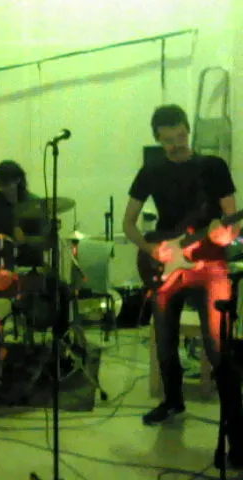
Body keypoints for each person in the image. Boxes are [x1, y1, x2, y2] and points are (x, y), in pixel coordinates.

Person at [123, 104, 242, 468]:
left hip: (210, 266)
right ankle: (173, 401)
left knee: (219, 348)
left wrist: (226, 234)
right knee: (164, 340)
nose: (177, 144)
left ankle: (237, 435)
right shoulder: (150, 172)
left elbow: (233, 221)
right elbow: (129, 223)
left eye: (181, 136)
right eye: (168, 139)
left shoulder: (213, 167)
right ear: (157, 139)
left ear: (188, 130)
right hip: (167, 265)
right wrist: (151, 250)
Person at [0, 160, 70, 338]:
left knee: (63, 290)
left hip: (31, 264)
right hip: (1, 266)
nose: (3, 188)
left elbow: (47, 243)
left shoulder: (36, 204)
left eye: (7, 183)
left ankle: (60, 340)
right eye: (0, 183)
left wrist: (25, 240)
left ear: (18, 180)